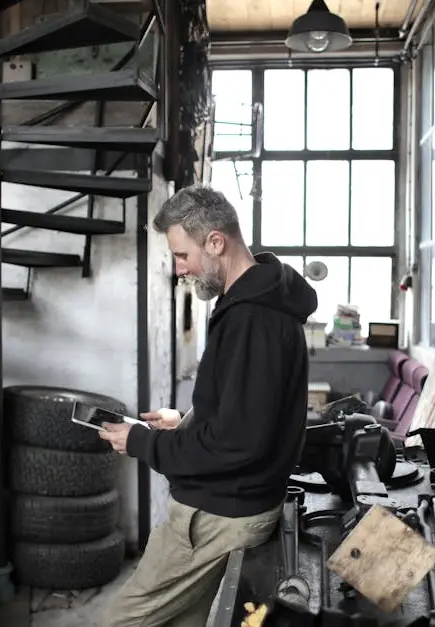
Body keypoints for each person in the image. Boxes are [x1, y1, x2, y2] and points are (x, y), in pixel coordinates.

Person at [99, 184, 318, 627]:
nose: (180, 269)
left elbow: (238, 442)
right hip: (235, 503)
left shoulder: (252, 319)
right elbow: (247, 410)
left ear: (215, 242)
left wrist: (142, 443)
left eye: (183, 255)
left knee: (120, 621)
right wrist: (186, 422)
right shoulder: (260, 302)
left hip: (221, 512)